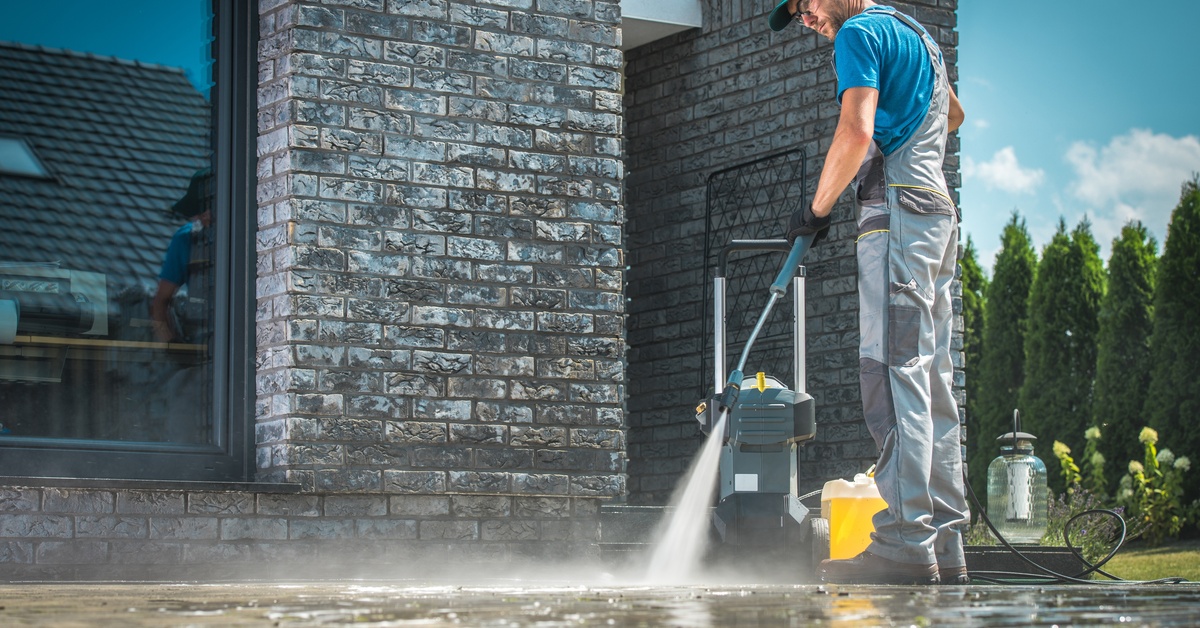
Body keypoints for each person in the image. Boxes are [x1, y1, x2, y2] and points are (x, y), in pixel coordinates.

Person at [768, 0, 970, 585]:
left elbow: (856, 131)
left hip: (899, 216)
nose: (804, 17)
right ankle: (946, 541)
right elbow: (952, 116)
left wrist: (815, 209)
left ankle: (907, 541)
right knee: (931, 379)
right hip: (935, 213)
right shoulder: (919, 37)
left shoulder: (857, 32)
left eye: (804, 4)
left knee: (890, 369)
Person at [151, 169, 213, 343]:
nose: (205, 216)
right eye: (200, 210)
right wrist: (171, 345)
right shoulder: (186, 239)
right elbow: (160, 304)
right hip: (200, 347)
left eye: (209, 208)